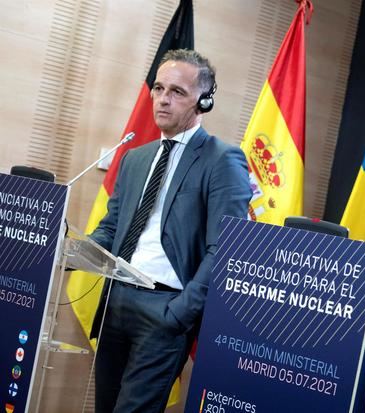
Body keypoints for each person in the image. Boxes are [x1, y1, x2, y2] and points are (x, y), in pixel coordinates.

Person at [89, 49, 252, 412]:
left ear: (203, 101)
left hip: (166, 308)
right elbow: (112, 226)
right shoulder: (135, 157)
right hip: (116, 300)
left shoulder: (222, 159)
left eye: (177, 92)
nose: (163, 99)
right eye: (159, 88)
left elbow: (225, 249)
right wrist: (72, 251)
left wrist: (181, 312)